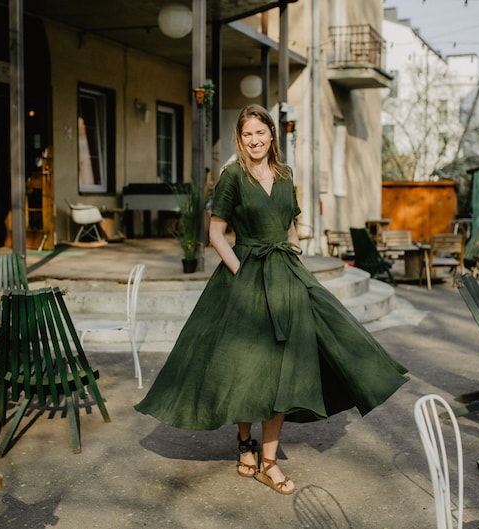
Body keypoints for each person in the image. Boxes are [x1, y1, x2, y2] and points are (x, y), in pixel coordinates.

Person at [135, 104, 408, 495]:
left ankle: (268, 461)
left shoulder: (284, 176)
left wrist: (294, 255)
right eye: (247, 134)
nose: (255, 140)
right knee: (247, 369)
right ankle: (244, 443)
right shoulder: (232, 177)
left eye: (260, 133)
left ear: (271, 136)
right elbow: (215, 233)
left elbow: (290, 226)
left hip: (285, 277)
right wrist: (240, 272)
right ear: (240, 138)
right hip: (245, 276)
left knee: (284, 370)